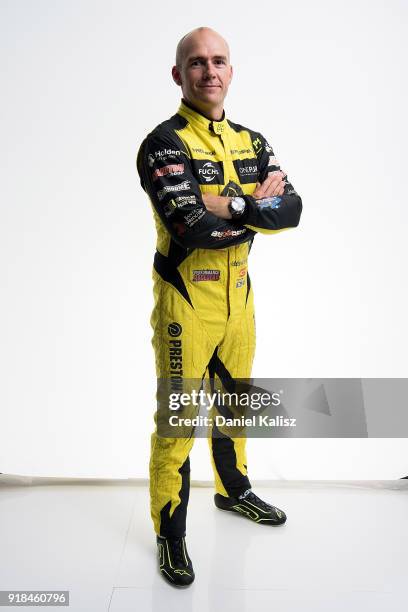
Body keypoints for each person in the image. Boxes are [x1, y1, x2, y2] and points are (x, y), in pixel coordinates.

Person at [136, 26, 302, 587]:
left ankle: (235, 492)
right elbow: (191, 226)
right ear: (178, 74)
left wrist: (228, 203)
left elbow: (293, 210)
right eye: (197, 62)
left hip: (240, 303)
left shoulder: (253, 141)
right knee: (179, 420)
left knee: (235, 407)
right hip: (186, 301)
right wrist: (254, 206)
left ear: (231, 71)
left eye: (220, 61)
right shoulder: (163, 143)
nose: (210, 71)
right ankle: (171, 533)